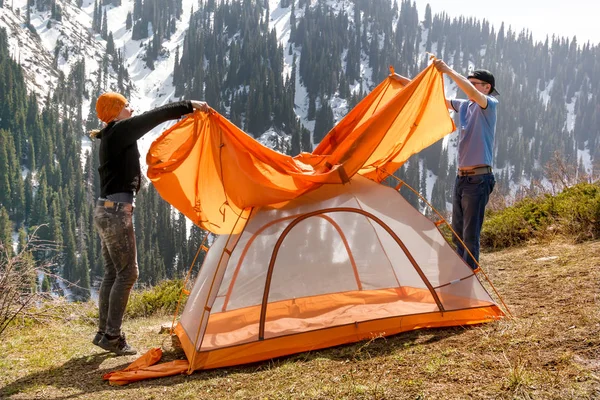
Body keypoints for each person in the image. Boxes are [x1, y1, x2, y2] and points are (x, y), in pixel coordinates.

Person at [90, 93, 209, 355]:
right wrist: (188, 106)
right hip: (117, 212)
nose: (130, 109)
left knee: (113, 273)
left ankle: (103, 333)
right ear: (115, 111)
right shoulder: (119, 129)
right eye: (125, 106)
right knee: (128, 273)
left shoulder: (110, 133)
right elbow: (152, 117)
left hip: (104, 210)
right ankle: (112, 336)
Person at [391, 60, 499, 270]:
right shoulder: (465, 105)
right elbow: (435, 98)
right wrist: (403, 82)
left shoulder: (489, 105)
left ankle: (469, 277)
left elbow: (473, 94)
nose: (471, 85)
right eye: (470, 82)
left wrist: (449, 71)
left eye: (476, 83)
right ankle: (460, 273)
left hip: (478, 179)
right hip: (462, 178)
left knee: (470, 233)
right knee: (457, 231)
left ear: (487, 87)